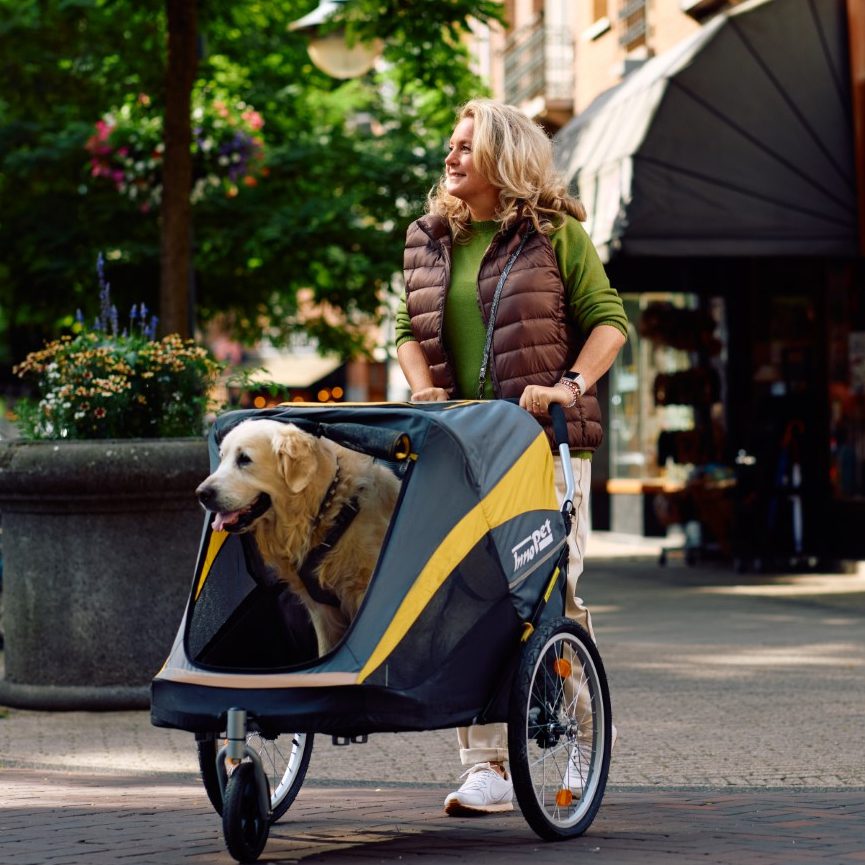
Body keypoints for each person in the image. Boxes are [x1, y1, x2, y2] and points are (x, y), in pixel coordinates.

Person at [395, 98, 628, 816]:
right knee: (461, 592)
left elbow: (608, 322)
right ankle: (485, 766)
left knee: (548, 594)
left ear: (502, 156)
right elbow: (405, 325)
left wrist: (566, 386)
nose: (450, 156)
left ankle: (582, 742)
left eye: (467, 146)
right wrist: (422, 386)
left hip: (542, 445)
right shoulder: (428, 237)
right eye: (450, 144)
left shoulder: (554, 235)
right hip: (458, 446)